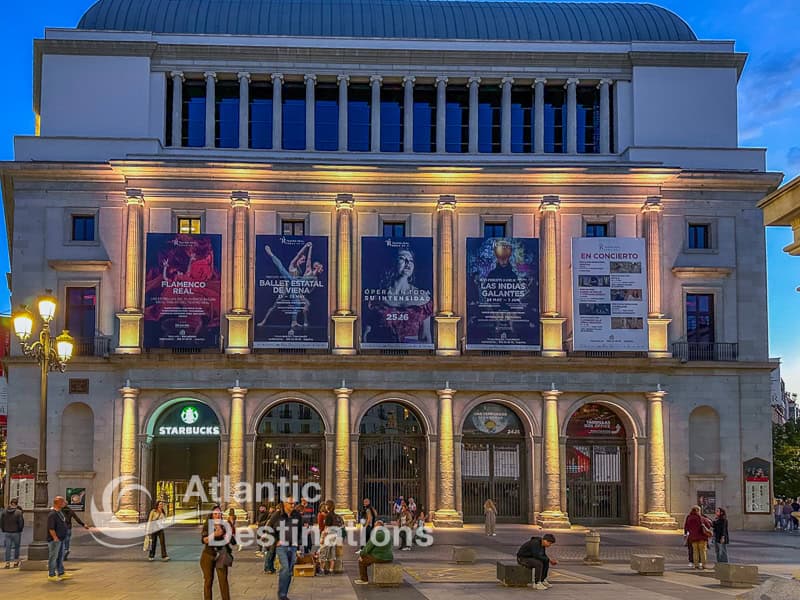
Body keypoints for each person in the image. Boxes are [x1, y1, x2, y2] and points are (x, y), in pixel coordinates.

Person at [362, 247, 433, 344]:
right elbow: (366, 335)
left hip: (413, 355)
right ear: (393, 263)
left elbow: (426, 337)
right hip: (381, 355)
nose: (408, 263)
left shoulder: (423, 298)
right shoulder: (376, 298)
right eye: (402, 258)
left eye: (411, 260)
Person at [267, 496, 303, 600]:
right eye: (290, 504)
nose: (293, 505)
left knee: (289, 571)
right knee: (286, 568)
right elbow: (268, 528)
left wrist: (298, 543)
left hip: (293, 546)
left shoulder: (297, 515)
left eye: (294, 503)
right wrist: (275, 541)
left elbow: (300, 530)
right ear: (284, 503)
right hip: (281, 546)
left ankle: (284, 593)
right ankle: (282, 595)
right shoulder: (277, 515)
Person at [200, 505, 235, 600]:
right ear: (212, 515)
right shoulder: (207, 525)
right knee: (208, 581)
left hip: (221, 555)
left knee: (223, 581)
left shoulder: (224, 525)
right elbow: (204, 540)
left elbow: (232, 541)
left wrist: (228, 536)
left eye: (219, 514)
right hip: (208, 555)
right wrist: (214, 534)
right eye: (215, 514)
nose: (217, 515)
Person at [46, 496, 70, 582]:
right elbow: (51, 528)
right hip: (55, 540)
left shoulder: (59, 513)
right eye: (63, 501)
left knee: (60, 557)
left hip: (61, 538)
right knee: (53, 557)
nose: (64, 503)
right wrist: (55, 537)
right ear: (58, 503)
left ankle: (61, 572)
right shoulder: (52, 514)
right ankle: (51, 574)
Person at [1, 497, 24, 568]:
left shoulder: (4, 512)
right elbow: (21, 523)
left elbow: (1, 522)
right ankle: (16, 562)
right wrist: (20, 530)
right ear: (16, 504)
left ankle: (7, 563)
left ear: (10, 503)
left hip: (7, 532)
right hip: (16, 532)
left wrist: (3, 529)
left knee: (8, 548)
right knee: (17, 547)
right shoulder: (18, 512)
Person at [262, 503, 280, 574]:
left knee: (272, 553)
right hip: (270, 537)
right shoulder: (275, 515)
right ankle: (267, 568)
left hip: (273, 536)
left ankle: (271, 567)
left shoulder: (276, 515)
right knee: (270, 552)